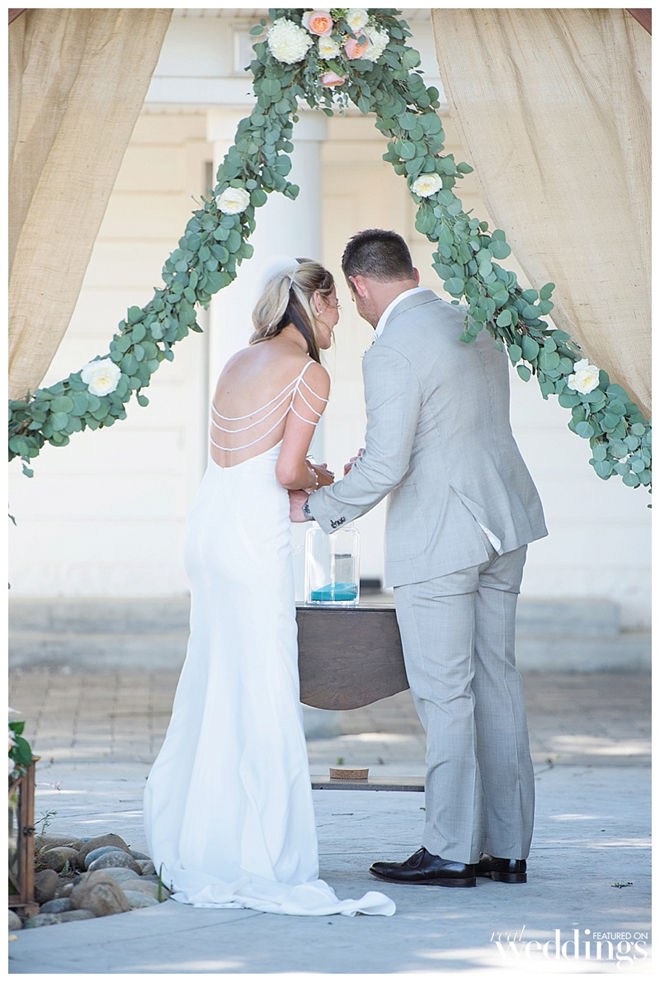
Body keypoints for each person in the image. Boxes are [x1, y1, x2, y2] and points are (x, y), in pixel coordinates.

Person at [290, 229, 548, 888]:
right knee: (496, 682)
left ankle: (450, 850)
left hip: (442, 537)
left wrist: (317, 509)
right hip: (505, 522)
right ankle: (506, 850)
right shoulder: (470, 322)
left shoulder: (392, 348)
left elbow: (386, 464)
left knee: (446, 694)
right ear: (409, 269)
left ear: (358, 285)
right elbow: (451, 431)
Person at [144, 257, 395, 917]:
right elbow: (285, 472)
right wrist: (323, 478)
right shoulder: (309, 372)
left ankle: (199, 839)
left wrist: (298, 473)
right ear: (315, 302)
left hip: (208, 528)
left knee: (213, 682)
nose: (339, 320)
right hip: (252, 538)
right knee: (263, 687)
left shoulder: (236, 361)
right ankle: (266, 854)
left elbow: (243, 460)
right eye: (334, 306)